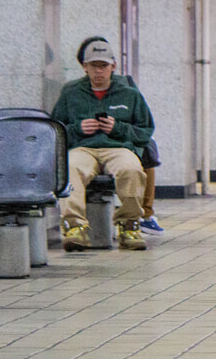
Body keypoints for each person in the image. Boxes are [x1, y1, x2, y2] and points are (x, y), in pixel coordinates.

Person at [51, 38, 155, 251]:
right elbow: (55, 130)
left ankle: (129, 226)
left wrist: (117, 128)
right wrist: (79, 129)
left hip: (118, 147)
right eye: (93, 66)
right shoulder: (70, 93)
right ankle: (74, 228)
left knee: (131, 169)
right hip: (83, 148)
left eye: (104, 66)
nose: (99, 72)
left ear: (113, 66)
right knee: (71, 168)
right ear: (84, 67)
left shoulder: (130, 94)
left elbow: (145, 131)